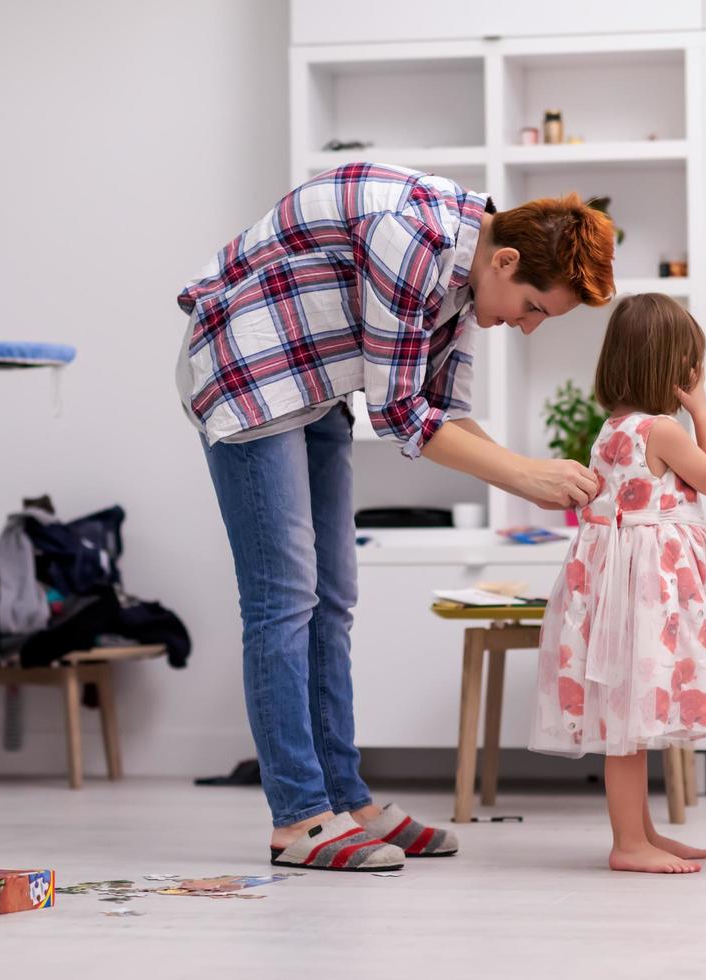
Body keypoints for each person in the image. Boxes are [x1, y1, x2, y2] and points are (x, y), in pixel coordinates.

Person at [176, 162, 615, 870]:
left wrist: (531, 473)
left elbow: (445, 414)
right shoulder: (410, 239)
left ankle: (346, 802)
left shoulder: (469, 274)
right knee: (283, 599)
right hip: (251, 370)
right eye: (534, 307)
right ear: (505, 261)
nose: (528, 328)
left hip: (317, 379)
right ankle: (297, 819)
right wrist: (525, 477)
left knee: (334, 598)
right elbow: (402, 417)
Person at [528, 293, 706, 874]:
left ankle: (642, 832)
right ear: (673, 369)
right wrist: (702, 409)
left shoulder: (613, 428)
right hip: (644, 593)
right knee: (627, 728)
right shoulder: (663, 430)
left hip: (619, 585)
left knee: (628, 719)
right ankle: (628, 844)